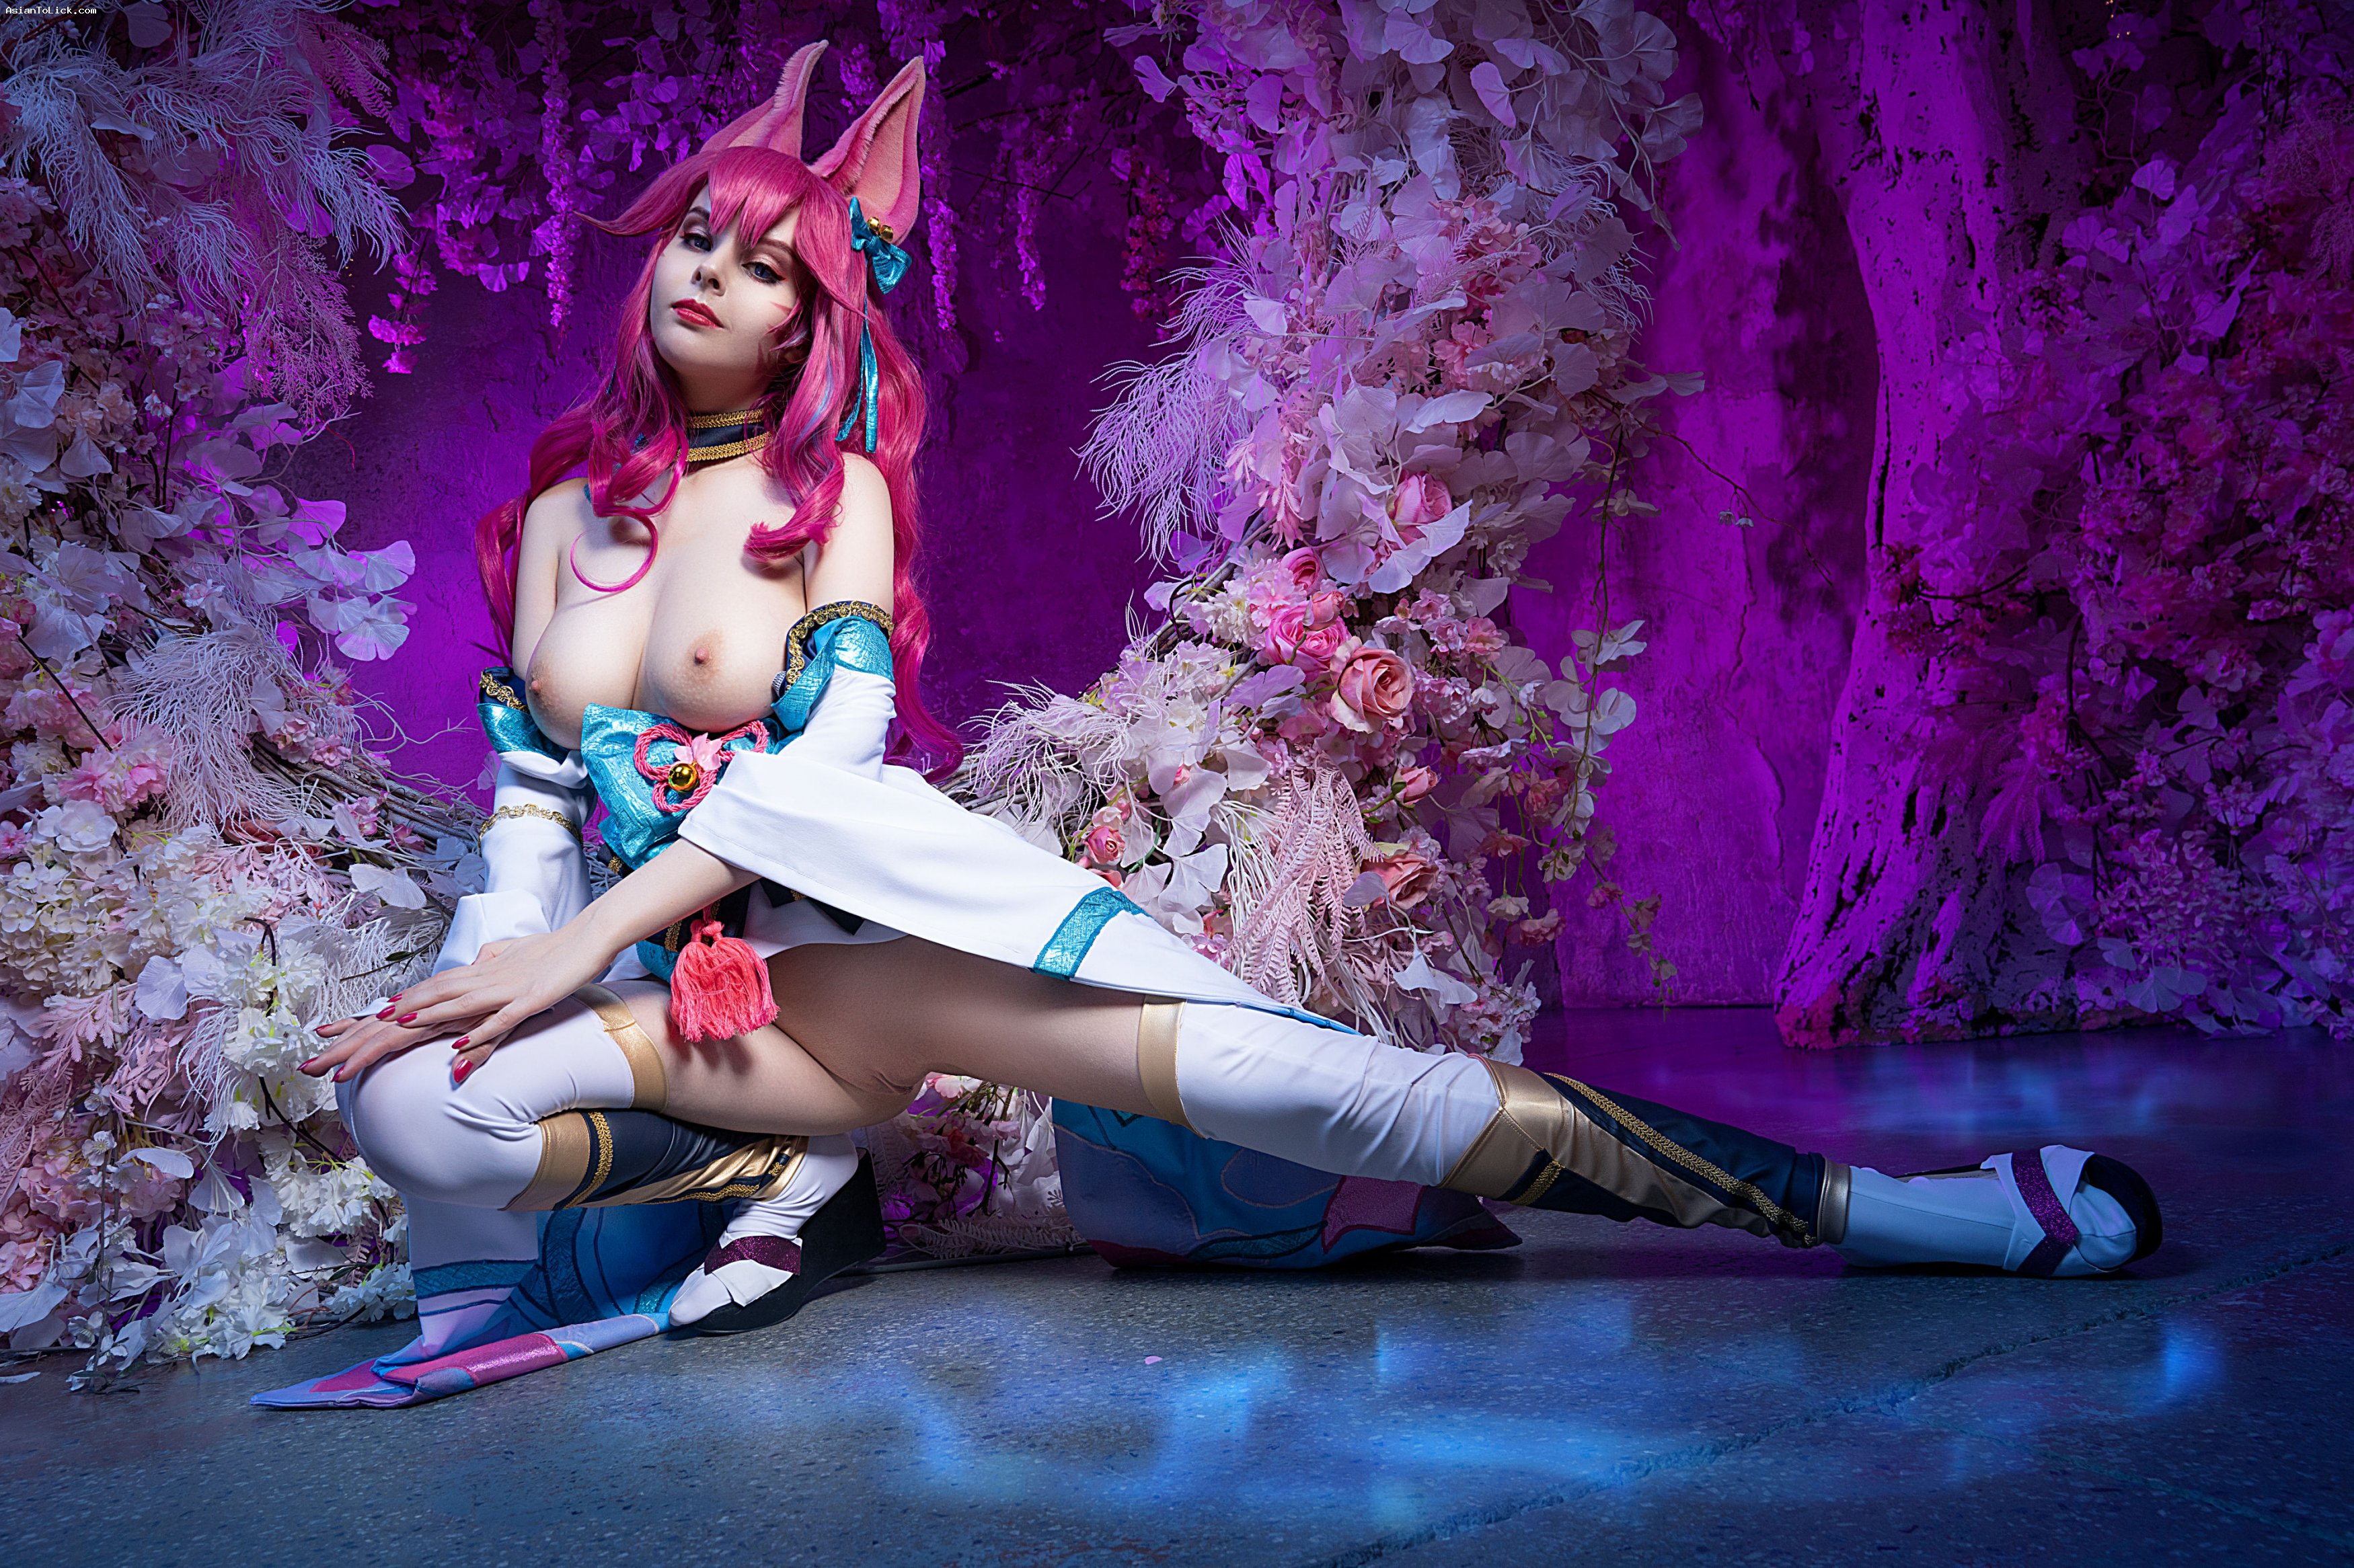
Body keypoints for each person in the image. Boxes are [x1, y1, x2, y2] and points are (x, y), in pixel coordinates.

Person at [301, 44, 2162, 1362]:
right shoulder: (559, 513)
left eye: (762, 261)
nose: (711, 275)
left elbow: (828, 771)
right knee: (410, 1110)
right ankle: (800, 1164)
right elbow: (530, 806)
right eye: (696, 241)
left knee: (1368, 1107)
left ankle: (1907, 1211)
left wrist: (579, 951)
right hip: (703, 1019)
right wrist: (489, 988)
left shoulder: (831, 497)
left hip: (875, 959)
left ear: (810, 320)